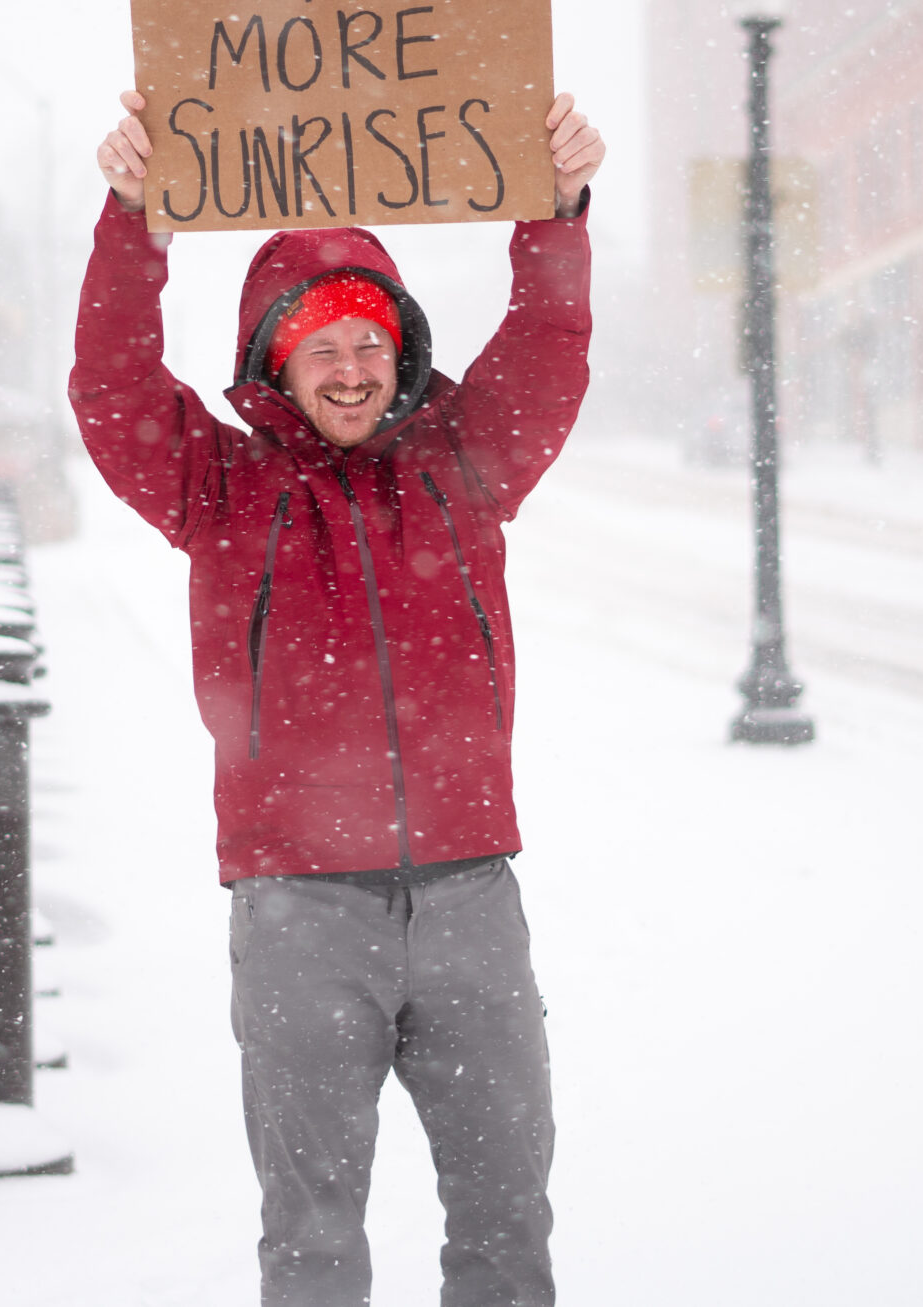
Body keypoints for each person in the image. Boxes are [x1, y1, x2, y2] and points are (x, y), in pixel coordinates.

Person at [73, 88, 605, 1307]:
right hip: (299, 916)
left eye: (371, 341)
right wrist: (132, 220)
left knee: (506, 1221)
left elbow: (548, 338)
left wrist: (558, 211)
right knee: (311, 1240)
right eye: (323, 345)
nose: (352, 369)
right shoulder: (220, 490)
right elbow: (111, 386)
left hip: (471, 898)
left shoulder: (463, 467)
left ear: (400, 348)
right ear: (275, 356)